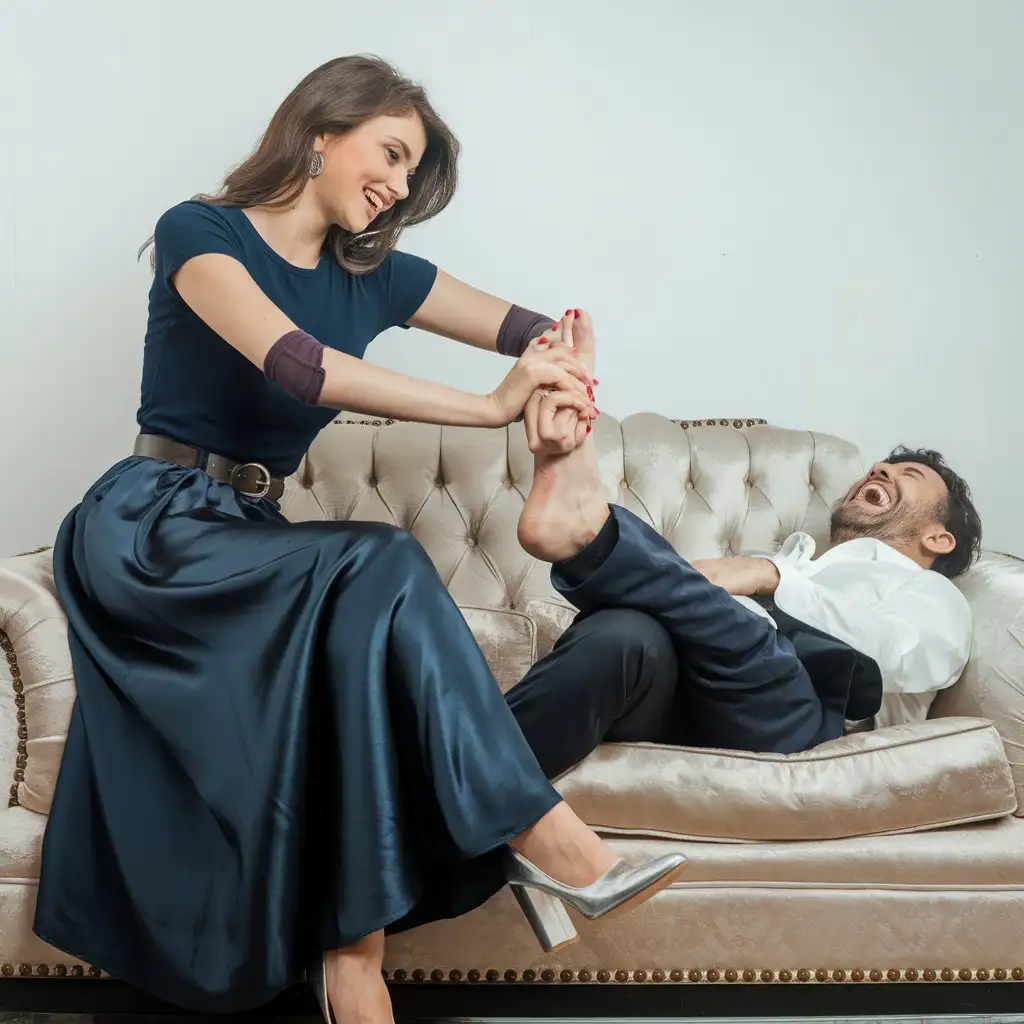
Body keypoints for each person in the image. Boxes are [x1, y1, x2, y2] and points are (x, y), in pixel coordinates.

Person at [35, 56, 686, 1022]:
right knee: (378, 558)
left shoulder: (378, 276)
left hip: (254, 540)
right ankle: (545, 839)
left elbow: (539, 328)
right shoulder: (200, 230)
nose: (396, 184)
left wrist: (563, 374)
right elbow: (297, 367)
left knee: (359, 648)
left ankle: (352, 968)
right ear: (320, 131)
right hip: (155, 528)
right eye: (390, 152)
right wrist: (487, 409)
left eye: (411, 173)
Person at [505, 310, 983, 779]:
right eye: (880, 467)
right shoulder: (795, 562)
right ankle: (442, 784)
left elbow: (896, 655)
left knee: (751, 638)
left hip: (802, 717)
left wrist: (769, 578)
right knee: (624, 633)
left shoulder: (933, 595)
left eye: (909, 475)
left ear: (938, 538)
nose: (879, 471)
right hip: (689, 697)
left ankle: (591, 527)